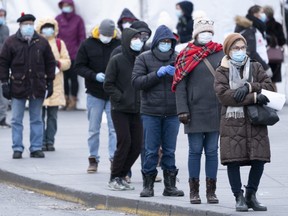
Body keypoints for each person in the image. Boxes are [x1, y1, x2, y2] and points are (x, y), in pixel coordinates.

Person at [214, 33, 274, 212]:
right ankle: (238, 196)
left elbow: (269, 86)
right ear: (228, 50)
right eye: (235, 48)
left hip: (255, 121)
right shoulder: (221, 70)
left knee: (259, 159)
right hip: (232, 122)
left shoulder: (255, 66)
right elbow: (224, 96)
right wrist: (255, 97)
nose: (240, 51)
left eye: (242, 48)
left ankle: (251, 195)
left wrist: (249, 87)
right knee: (233, 160)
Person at [173, 15, 224, 204]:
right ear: (196, 33)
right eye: (203, 32)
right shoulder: (185, 54)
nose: (206, 35)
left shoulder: (220, 53)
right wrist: (182, 110)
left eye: (209, 32)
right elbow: (179, 84)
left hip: (215, 109)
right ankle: (194, 191)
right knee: (195, 151)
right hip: (193, 111)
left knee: (212, 151)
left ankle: (211, 191)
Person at [132, 25, 184, 198]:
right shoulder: (144, 58)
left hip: (172, 112)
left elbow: (186, 83)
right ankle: (148, 185)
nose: (166, 44)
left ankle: (170, 186)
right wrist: (158, 74)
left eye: (169, 41)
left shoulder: (179, 58)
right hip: (150, 112)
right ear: (156, 42)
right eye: (163, 41)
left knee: (169, 150)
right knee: (151, 149)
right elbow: (137, 82)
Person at [0, 13, 55, 159]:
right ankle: (17, 148)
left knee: (36, 119)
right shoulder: (11, 42)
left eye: (31, 24)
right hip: (18, 85)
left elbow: (50, 63)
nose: (28, 27)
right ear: (20, 26)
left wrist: (50, 82)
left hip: (37, 86)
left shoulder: (42, 42)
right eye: (26, 24)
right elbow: (3, 63)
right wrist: (4, 82)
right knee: (16, 119)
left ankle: (36, 147)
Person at [75, 19, 120, 173]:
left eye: (109, 35)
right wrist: (94, 76)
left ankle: (114, 159)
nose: (106, 37)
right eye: (104, 34)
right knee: (93, 129)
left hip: (112, 93)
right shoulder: (87, 44)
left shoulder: (118, 44)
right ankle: (93, 159)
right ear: (98, 32)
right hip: (94, 92)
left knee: (114, 129)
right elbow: (79, 66)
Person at [104, 28, 143, 191]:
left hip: (137, 109)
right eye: (134, 38)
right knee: (124, 141)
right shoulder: (117, 60)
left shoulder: (141, 59)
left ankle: (122, 175)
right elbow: (108, 84)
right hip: (120, 108)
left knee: (137, 145)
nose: (138, 41)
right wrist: (120, 97)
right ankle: (114, 177)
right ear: (127, 40)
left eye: (139, 38)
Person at [36, 18, 71, 151]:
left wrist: (58, 64)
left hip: (55, 84)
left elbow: (67, 61)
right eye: (45, 27)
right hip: (39, 83)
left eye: (50, 27)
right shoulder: (36, 42)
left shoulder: (59, 43)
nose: (48, 30)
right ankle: (39, 141)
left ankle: (50, 141)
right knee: (39, 116)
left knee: (52, 117)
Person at [56, 0, 86, 110]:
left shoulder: (78, 20)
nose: (66, 7)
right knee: (63, 78)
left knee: (73, 78)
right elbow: (56, 36)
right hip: (61, 55)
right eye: (64, 5)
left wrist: (79, 52)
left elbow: (81, 37)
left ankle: (73, 100)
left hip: (74, 54)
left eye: (68, 5)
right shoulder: (58, 19)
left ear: (72, 6)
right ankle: (64, 99)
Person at [234, 5, 273, 78]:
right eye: (262, 12)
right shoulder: (250, 29)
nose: (264, 15)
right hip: (256, 68)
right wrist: (266, 67)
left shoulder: (257, 27)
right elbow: (252, 52)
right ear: (255, 14)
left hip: (256, 66)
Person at [263, 5, 286, 91]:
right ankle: (274, 101)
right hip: (275, 57)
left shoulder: (262, 26)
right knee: (273, 80)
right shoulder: (278, 25)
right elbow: (282, 41)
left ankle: (270, 101)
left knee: (265, 79)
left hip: (266, 55)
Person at [0, 8, 10, 128]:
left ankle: (2, 118)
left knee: (3, 95)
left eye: (2, 15)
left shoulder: (5, 29)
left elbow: (5, 47)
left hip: (2, 65)